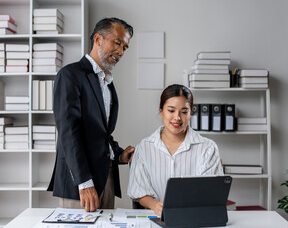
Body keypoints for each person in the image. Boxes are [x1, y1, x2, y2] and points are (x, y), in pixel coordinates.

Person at [48, 17, 135, 212]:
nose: (121, 52)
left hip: (107, 178)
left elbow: (102, 133)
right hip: (79, 183)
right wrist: (84, 182)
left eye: (125, 48)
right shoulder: (70, 75)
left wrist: (120, 154)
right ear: (98, 39)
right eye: (117, 43)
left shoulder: (107, 83)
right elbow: (69, 132)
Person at [127, 84, 223, 216]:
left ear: (191, 113)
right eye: (171, 111)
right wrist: (155, 205)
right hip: (156, 218)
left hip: (195, 218)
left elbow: (211, 192)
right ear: (161, 111)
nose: (177, 117)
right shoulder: (144, 147)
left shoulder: (208, 148)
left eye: (184, 112)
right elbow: (139, 191)